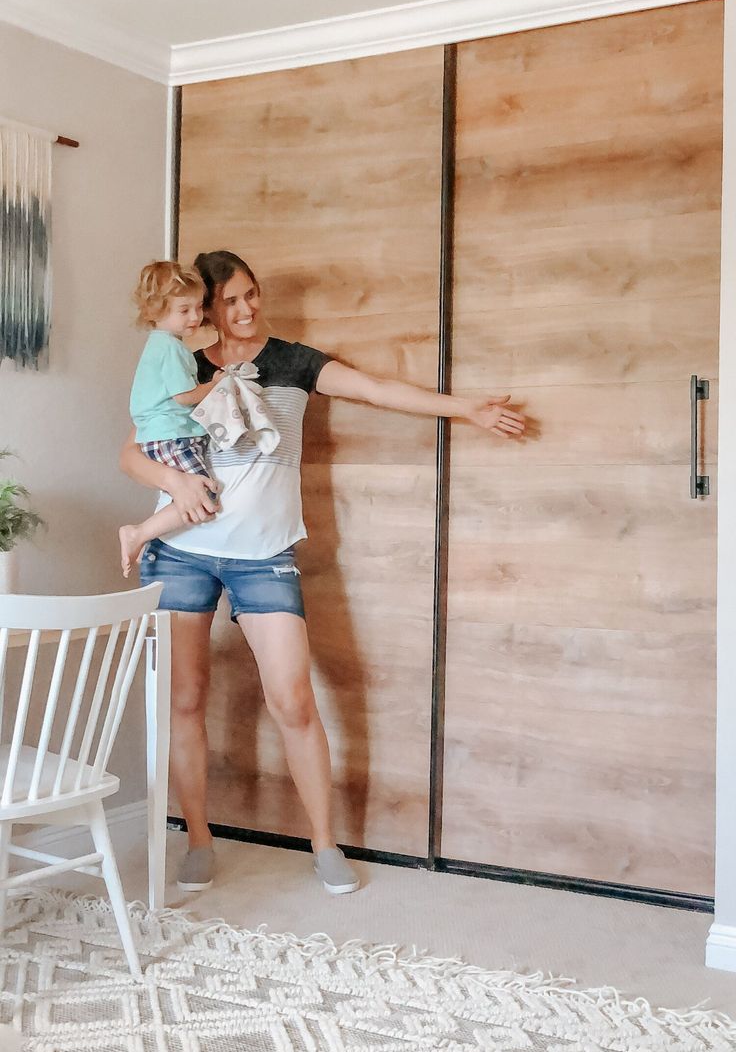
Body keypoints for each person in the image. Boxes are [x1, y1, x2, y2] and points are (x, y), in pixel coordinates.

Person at [119, 250, 526, 895]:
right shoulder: (181, 360)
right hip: (182, 552)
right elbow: (133, 450)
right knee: (186, 701)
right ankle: (197, 839)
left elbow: (377, 389)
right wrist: (172, 481)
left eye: (252, 294)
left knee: (295, 702)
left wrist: (463, 408)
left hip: (265, 558)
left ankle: (325, 844)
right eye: (230, 301)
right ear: (203, 309)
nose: (247, 309)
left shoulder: (292, 361)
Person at [118, 261, 224, 579]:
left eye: (198, 307)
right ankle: (139, 533)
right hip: (170, 434)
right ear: (156, 311)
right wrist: (215, 386)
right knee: (205, 496)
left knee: (200, 493)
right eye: (184, 310)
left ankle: (143, 533)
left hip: (164, 433)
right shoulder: (171, 349)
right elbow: (184, 396)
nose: (195, 317)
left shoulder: (161, 345)